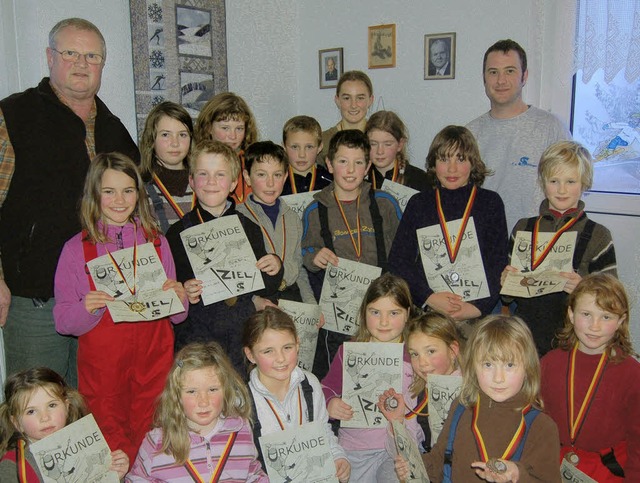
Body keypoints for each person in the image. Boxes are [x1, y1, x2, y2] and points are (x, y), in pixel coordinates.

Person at [0, 17, 139, 386]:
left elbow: (135, 213)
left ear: (102, 65)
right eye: (71, 53)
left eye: (92, 56)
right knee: (36, 404)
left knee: (94, 407)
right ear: (49, 57)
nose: (81, 64)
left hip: (105, 299)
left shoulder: (116, 130)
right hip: (35, 299)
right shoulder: (12, 116)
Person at [53, 153, 188, 462]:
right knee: (109, 443)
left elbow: (178, 315)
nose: (119, 200)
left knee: (155, 434)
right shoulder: (76, 249)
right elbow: (62, 321)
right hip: (104, 368)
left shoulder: (156, 241)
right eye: (109, 191)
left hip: (154, 360)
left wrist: (178, 295)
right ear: (94, 194)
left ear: (138, 195)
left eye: (128, 190)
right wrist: (86, 307)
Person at [166, 140, 283, 376]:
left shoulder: (248, 227)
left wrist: (274, 267)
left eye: (220, 175)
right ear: (191, 181)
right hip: (197, 338)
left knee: (242, 404)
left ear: (233, 183)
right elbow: (172, 289)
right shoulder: (177, 233)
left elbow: (265, 286)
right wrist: (184, 292)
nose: (211, 182)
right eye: (203, 174)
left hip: (241, 337)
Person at [401, 315, 561, 482]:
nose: (498, 378)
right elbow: (438, 460)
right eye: (488, 365)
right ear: (473, 367)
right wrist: (413, 465)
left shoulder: (542, 427)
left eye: (510, 365)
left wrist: (517, 474)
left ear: (528, 367)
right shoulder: (461, 408)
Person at [301, 130, 402, 378]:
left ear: (368, 166)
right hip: (339, 318)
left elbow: (405, 250)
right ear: (329, 164)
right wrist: (314, 257)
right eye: (343, 161)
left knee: (384, 377)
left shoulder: (385, 203)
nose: (350, 170)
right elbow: (304, 251)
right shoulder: (315, 209)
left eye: (358, 163)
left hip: (383, 312)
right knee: (344, 380)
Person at [501, 141, 617, 355]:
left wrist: (583, 288)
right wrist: (507, 283)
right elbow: (507, 299)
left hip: (574, 341)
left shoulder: (598, 235)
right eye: (554, 181)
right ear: (543, 183)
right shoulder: (523, 228)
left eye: (570, 181)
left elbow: (612, 302)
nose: (562, 189)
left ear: (585, 183)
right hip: (526, 339)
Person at [389, 126, 508, 328]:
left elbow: (498, 263)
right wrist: (428, 297)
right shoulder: (419, 203)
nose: (452, 169)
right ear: (433, 164)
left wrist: (477, 307)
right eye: (444, 159)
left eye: (460, 159)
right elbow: (398, 261)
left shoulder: (490, 203)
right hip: (429, 312)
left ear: (473, 163)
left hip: (477, 313)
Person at [321, 273, 424, 482]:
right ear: (363, 313)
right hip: (353, 449)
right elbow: (326, 389)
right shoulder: (348, 352)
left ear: (407, 314)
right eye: (375, 312)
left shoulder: (416, 354)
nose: (384, 321)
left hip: (397, 449)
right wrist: (330, 404)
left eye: (394, 313)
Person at [541, 274, 640, 481]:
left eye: (606, 317)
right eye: (586, 314)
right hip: (553, 467)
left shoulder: (631, 373)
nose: (595, 326)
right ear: (570, 314)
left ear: (621, 320)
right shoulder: (550, 363)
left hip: (609, 472)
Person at [466, 39, 571, 231]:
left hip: (537, 242)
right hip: (484, 244)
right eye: (493, 72)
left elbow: (569, 193)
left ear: (524, 76)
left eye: (510, 71)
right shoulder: (470, 134)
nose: (501, 80)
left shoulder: (551, 128)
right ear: (484, 78)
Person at [127, 342, 268, 482]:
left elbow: (253, 474)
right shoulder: (158, 440)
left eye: (212, 390)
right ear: (176, 395)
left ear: (226, 390)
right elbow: (136, 479)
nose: (203, 402)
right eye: (192, 392)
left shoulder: (240, 429)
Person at [242, 307, 350, 482]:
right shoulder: (242, 401)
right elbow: (244, 463)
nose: (281, 358)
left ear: (298, 345)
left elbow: (322, 431)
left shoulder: (311, 384)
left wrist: (338, 457)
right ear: (251, 355)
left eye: (287, 347)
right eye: (268, 351)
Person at [0, 367, 129, 481]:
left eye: (52, 405)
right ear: (17, 423)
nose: (45, 417)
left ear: (67, 407)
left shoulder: (86, 444)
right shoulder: (13, 466)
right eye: (31, 411)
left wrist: (115, 475)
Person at [237, 141, 315, 304]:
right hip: (261, 301)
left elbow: (299, 269)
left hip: (292, 297)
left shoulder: (293, 218)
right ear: (247, 177)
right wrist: (254, 301)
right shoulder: (237, 218)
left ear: (286, 176)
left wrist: (311, 304)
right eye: (261, 175)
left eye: (277, 175)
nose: (270, 183)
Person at [386, 313, 463, 453]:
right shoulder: (414, 393)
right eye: (414, 354)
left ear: (453, 351)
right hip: (430, 464)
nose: (422, 363)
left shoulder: (470, 390)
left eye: (431, 351)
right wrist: (397, 423)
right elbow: (401, 452)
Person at [195, 92, 258, 204]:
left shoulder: (253, 163)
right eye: (225, 128)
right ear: (208, 127)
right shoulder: (196, 164)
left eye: (239, 129)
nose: (233, 136)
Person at [140, 101, 194, 233]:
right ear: (151, 140)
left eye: (182, 135)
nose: (175, 143)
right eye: (165, 135)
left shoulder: (203, 183)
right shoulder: (139, 188)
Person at [364, 110, 429, 191]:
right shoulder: (359, 179)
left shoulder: (420, 180)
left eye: (387, 144)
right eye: (373, 144)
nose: (380, 151)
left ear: (400, 144)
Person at [319, 71, 374, 166]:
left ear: (370, 100)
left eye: (360, 98)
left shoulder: (379, 139)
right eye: (346, 98)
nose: (353, 105)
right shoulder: (323, 142)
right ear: (337, 100)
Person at [281, 115, 333, 195]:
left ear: (320, 147)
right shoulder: (277, 181)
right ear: (284, 147)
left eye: (309, 147)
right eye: (295, 147)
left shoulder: (330, 180)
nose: (302, 155)